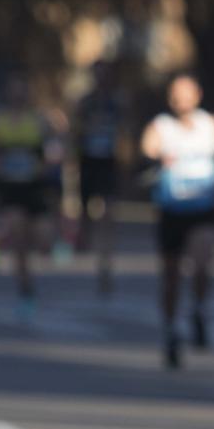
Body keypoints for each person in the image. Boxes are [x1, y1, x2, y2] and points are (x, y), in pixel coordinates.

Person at [141, 72, 214, 368]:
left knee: (203, 263)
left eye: (185, 93)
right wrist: (157, 157)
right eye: (175, 94)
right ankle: (170, 330)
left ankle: (199, 310)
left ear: (197, 95)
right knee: (171, 276)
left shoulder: (210, 125)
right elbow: (147, 147)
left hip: (203, 207)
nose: (180, 99)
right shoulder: (162, 126)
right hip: (172, 209)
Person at [0, 77, 64, 318]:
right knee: (18, 235)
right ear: (8, 94)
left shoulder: (39, 121)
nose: (18, 96)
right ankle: (25, 289)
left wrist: (47, 162)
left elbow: (55, 149)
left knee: (44, 242)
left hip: (34, 188)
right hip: (11, 189)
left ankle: (31, 268)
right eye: (14, 91)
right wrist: (1, 168)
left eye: (22, 91)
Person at [75, 63, 126, 295]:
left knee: (107, 214)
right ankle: (84, 237)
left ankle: (105, 263)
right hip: (88, 163)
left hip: (108, 164)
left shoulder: (117, 103)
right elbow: (74, 131)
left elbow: (126, 131)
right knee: (86, 213)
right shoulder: (85, 102)